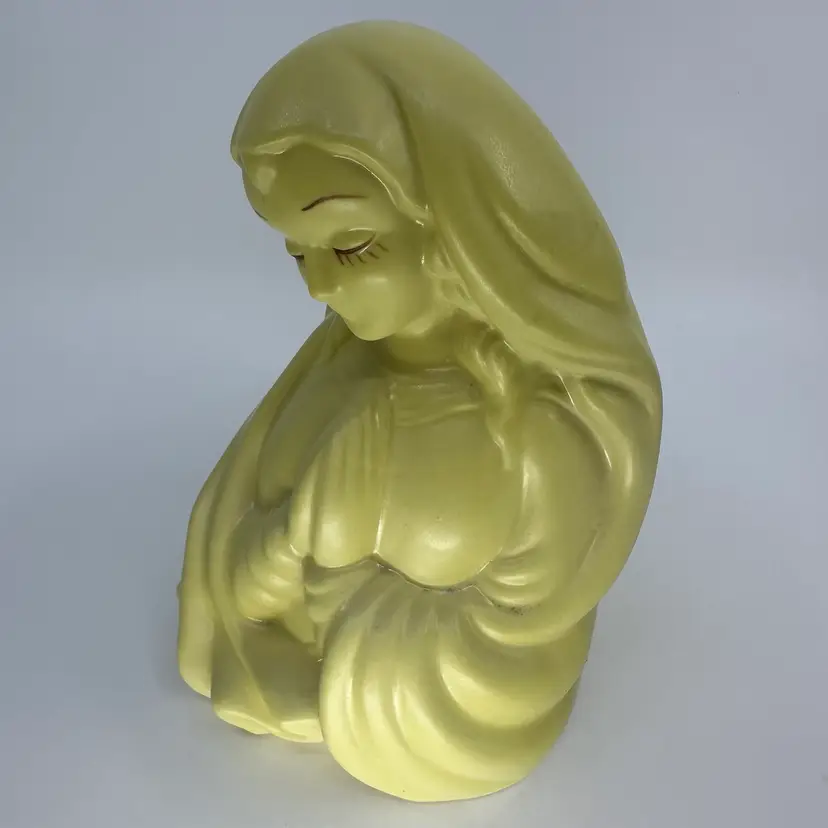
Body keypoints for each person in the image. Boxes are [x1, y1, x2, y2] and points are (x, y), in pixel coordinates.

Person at [177, 20, 662, 802]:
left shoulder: (537, 427)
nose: (318, 286)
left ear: (452, 223)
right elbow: (239, 583)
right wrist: (289, 539)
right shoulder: (332, 374)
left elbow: (520, 630)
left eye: (352, 246)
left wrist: (351, 616)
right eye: (296, 252)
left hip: (423, 689)